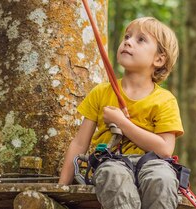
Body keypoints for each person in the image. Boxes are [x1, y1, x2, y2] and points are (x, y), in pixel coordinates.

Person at [58, 17, 183, 209]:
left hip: (153, 164)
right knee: (112, 175)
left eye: (141, 39)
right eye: (127, 36)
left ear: (159, 59)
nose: (128, 41)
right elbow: (79, 143)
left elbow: (165, 149)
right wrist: (61, 187)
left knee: (163, 179)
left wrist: (121, 123)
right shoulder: (101, 92)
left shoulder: (165, 100)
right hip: (112, 162)